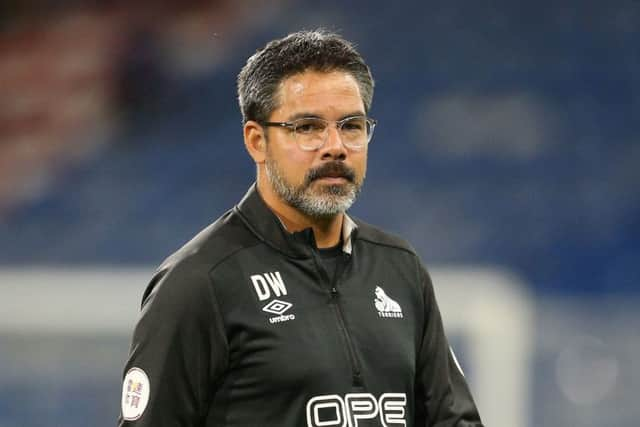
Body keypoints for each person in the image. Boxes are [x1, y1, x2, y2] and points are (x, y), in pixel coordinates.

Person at [118, 29, 484, 427]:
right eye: (308, 127)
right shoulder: (200, 281)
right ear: (257, 141)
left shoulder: (399, 268)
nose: (335, 146)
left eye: (351, 126)